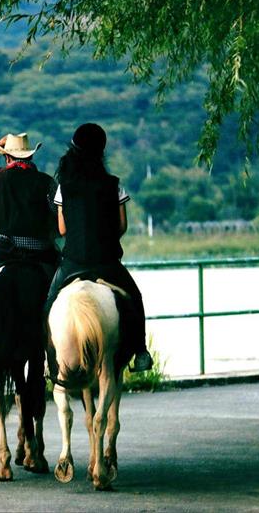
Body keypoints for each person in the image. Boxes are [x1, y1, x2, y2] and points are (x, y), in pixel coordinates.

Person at [44, 123, 153, 372]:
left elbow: (62, 230)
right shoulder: (113, 184)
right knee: (135, 297)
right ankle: (140, 351)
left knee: (49, 302)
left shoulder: (65, 186)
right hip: (106, 262)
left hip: (73, 262)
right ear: (101, 152)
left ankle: (48, 357)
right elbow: (122, 225)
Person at [0, 133, 59, 307]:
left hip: (4, 252)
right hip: (41, 253)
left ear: (7, 157)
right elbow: (56, 212)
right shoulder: (47, 182)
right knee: (63, 285)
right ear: (31, 155)